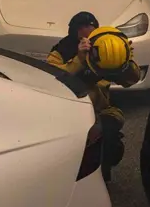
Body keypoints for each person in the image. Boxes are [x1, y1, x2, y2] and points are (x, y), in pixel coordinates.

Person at [47, 12, 140, 182]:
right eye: (81, 28)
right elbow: (51, 81)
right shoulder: (61, 51)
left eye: (90, 27)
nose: (86, 32)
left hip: (102, 110)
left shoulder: (103, 47)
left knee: (108, 143)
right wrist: (79, 60)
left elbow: (131, 80)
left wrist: (124, 61)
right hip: (68, 112)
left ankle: (102, 181)